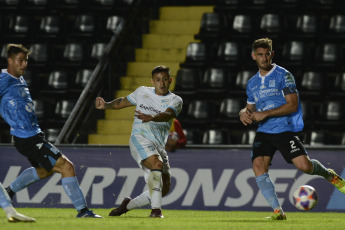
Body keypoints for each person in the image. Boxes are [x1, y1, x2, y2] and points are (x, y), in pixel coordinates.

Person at [238, 38, 345, 220]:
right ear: (253, 56)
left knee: (305, 166)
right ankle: (277, 211)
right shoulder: (252, 83)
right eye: (260, 55)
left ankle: (329, 175)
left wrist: (265, 114)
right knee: (258, 166)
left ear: (272, 54)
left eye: (267, 54)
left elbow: (292, 105)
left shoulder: (283, 75)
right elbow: (251, 110)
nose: (264, 58)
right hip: (264, 131)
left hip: (284, 128)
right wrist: (243, 112)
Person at [0, 44, 102, 218]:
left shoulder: (18, 78)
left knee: (44, 171)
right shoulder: (4, 80)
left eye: (26, 61)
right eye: (20, 60)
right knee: (66, 167)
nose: (24, 64)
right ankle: (83, 211)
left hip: (30, 135)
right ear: (10, 60)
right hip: (27, 137)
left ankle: (9, 191)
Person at [95, 65, 183, 218]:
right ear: (152, 81)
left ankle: (127, 206)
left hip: (158, 145)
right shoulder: (142, 91)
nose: (161, 83)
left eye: (164, 80)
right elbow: (123, 101)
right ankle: (156, 211)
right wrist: (106, 105)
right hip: (139, 138)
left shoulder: (175, 100)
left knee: (164, 188)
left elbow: (168, 115)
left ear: (170, 81)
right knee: (157, 164)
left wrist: (152, 117)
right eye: (157, 80)